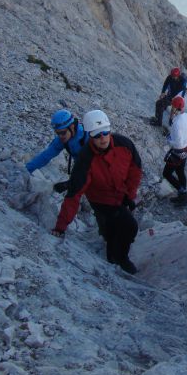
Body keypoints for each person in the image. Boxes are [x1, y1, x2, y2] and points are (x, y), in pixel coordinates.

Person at [51, 110, 143, 274]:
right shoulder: (85, 159)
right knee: (128, 226)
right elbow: (74, 194)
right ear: (89, 135)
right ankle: (120, 258)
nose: (102, 138)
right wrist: (60, 227)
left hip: (120, 195)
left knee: (117, 228)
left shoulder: (125, 145)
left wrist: (130, 195)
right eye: (97, 135)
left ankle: (115, 256)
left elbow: (135, 170)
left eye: (105, 132)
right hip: (101, 200)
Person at [26, 109, 88, 192]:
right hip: (81, 168)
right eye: (57, 133)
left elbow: (95, 165)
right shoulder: (62, 139)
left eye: (63, 132)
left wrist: (70, 183)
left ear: (72, 126)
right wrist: (26, 170)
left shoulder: (87, 137)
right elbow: (45, 156)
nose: (60, 136)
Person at [163, 96, 187, 205]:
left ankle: (183, 194)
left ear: (175, 107)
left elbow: (178, 143)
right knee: (180, 171)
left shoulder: (177, 123)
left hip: (178, 152)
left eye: (173, 106)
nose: (171, 108)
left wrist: (168, 139)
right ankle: (182, 195)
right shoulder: (186, 116)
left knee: (166, 173)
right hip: (186, 149)